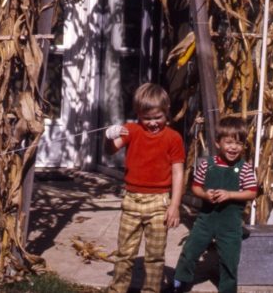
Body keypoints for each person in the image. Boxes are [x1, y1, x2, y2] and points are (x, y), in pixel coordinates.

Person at [104, 83, 185, 293]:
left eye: (157, 117)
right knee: (124, 253)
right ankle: (117, 290)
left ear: (166, 111)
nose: (152, 123)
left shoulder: (173, 138)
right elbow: (111, 151)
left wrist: (175, 206)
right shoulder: (131, 130)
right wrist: (109, 137)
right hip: (131, 200)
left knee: (155, 256)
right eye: (146, 118)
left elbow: (178, 172)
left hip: (159, 203)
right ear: (138, 114)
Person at [172, 116, 257, 293]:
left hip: (230, 223)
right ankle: (180, 281)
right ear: (218, 143)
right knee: (190, 251)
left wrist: (230, 195)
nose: (234, 147)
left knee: (230, 259)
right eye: (229, 142)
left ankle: (227, 289)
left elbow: (252, 192)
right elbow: (195, 187)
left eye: (239, 144)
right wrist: (205, 194)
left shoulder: (244, 168)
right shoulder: (207, 165)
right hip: (206, 219)